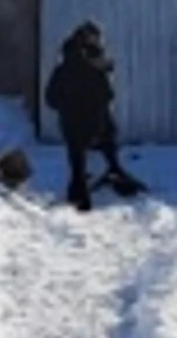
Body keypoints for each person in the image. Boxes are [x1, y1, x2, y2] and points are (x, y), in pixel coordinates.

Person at [44, 21, 134, 211]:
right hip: (94, 120)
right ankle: (111, 176)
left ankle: (79, 198)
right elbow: (108, 95)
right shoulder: (94, 69)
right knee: (107, 145)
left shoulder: (63, 69)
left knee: (77, 161)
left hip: (70, 122)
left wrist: (65, 107)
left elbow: (50, 98)